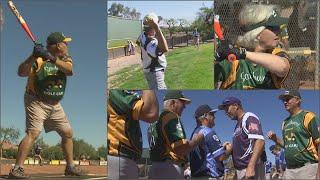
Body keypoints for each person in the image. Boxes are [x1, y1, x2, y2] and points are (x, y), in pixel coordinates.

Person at [9, 32, 84, 179]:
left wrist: (51, 57)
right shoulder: (38, 60)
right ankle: (16, 169)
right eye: (65, 42)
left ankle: (70, 167)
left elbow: (69, 70)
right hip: (36, 101)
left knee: (67, 133)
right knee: (33, 133)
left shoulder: (65, 58)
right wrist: (33, 56)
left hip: (55, 105)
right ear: (57, 45)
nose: (67, 45)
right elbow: (21, 72)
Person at [214, 4, 290, 89]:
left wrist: (243, 54)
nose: (279, 31)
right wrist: (216, 60)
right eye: (273, 27)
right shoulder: (232, 57)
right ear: (258, 34)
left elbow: (283, 67)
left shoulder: (276, 53)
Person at [148, 90, 205, 179]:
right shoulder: (171, 116)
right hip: (169, 168)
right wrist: (196, 140)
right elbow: (180, 148)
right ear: (173, 103)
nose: (185, 107)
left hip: (155, 166)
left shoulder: (155, 118)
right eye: (182, 103)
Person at [267, 90, 320, 179]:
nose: (285, 102)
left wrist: (318, 174)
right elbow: (287, 145)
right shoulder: (284, 123)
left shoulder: (309, 117)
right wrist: (275, 139)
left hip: (307, 169)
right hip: (289, 171)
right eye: (283, 100)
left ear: (298, 100)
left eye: (288, 99)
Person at [107, 90, 158, 179]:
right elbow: (150, 112)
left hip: (123, 159)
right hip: (119, 156)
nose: (184, 106)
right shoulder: (116, 91)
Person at [218, 97, 266, 179]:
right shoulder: (238, 125)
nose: (226, 112)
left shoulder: (249, 117)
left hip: (250, 168)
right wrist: (229, 149)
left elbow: (260, 141)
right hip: (240, 170)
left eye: (227, 108)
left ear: (236, 106)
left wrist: (251, 167)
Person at [190, 104, 232, 178]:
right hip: (209, 176)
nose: (214, 117)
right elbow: (220, 157)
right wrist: (229, 150)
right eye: (212, 114)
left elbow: (206, 153)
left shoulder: (194, 132)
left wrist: (222, 147)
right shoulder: (208, 131)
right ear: (206, 116)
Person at [137, 12, 169, 89]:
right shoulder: (150, 43)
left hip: (150, 71)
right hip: (155, 73)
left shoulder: (142, 35)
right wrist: (157, 28)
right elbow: (165, 49)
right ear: (153, 26)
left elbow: (138, 42)